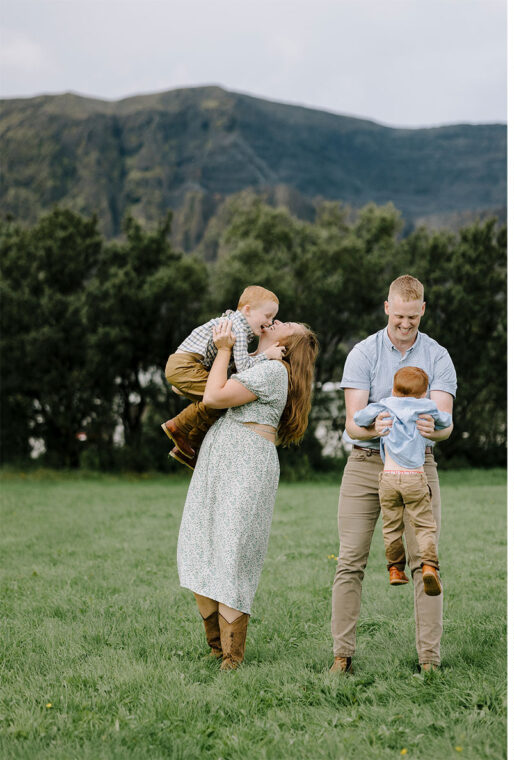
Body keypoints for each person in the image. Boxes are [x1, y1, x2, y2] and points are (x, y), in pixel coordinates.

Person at [330, 275, 456, 675]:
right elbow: (352, 424)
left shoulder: (438, 356)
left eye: (412, 318)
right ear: (387, 308)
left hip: (420, 469)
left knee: (427, 562)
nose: (405, 324)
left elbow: (445, 423)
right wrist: (376, 429)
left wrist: (431, 430)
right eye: (399, 316)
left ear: (423, 311)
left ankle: (429, 662)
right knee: (350, 560)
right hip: (366, 466)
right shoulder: (363, 353)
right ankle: (342, 657)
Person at [177, 318, 319, 670]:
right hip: (220, 460)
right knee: (199, 544)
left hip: (245, 463)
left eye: (287, 323)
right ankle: (215, 647)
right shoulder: (260, 363)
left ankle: (231, 656)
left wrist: (225, 349)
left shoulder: (274, 370)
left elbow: (214, 396)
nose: (277, 320)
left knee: (231, 553)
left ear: (289, 345)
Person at [353, 366, 452, 591]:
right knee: (425, 525)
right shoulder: (426, 406)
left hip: (388, 478)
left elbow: (359, 417)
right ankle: (429, 566)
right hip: (415, 477)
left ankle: (395, 569)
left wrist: (375, 419)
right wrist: (433, 416)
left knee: (391, 526)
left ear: (394, 390)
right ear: (424, 392)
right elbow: (445, 422)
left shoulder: (385, 405)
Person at [161, 285, 283, 469]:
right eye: (267, 316)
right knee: (222, 398)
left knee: (220, 403)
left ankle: (188, 446)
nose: (270, 322)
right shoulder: (238, 330)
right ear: (247, 310)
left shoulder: (234, 323)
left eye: (272, 317)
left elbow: (236, 364)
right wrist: (268, 355)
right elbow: (242, 369)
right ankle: (178, 427)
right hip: (187, 365)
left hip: (184, 365)